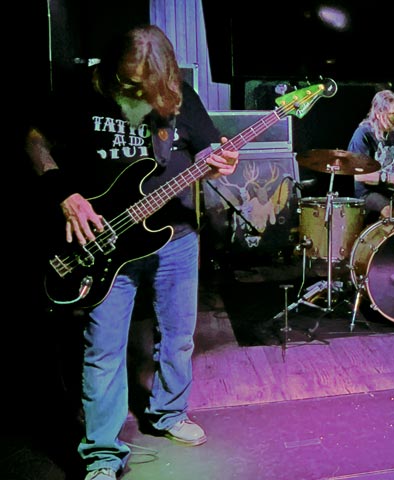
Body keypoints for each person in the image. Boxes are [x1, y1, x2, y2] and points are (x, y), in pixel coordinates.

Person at [25, 25, 239, 479]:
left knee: (178, 336)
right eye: (125, 80)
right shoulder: (82, 90)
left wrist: (220, 163)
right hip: (103, 240)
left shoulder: (181, 97)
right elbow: (35, 139)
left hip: (175, 237)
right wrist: (65, 194)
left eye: (143, 84)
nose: (133, 91)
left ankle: (169, 413)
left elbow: (208, 150)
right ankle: (102, 454)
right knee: (103, 348)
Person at [348, 89, 394, 223]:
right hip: (370, 193)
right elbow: (360, 175)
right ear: (379, 114)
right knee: (389, 211)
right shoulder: (363, 134)